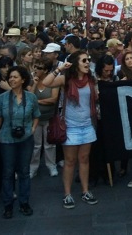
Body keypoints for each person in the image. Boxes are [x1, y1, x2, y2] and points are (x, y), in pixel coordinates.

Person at [41, 50, 99, 209]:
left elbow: (95, 97)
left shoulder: (91, 79)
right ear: (75, 64)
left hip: (87, 125)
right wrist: (59, 69)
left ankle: (85, 191)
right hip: (70, 127)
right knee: (70, 161)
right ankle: (67, 194)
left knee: (84, 160)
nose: (87, 63)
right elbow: (46, 82)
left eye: (88, 60)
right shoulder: (66, 79)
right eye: (84, 61)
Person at [0, 66, 40, 218]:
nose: (12, 80)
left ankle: (24, 202)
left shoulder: (31, 97)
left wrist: (32, 129)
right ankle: (8, 204)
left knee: (24, 171)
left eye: (15, 77)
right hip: (7, 138)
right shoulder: (2, 98)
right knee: (8, 172)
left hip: (26, 138)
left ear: (23, 79)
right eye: (10, 77)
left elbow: (36, 115)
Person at [30, 61, 60, 178]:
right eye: (35, 67)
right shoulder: (32, 81)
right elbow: (29, 97)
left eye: (39, 67)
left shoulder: (53, 82)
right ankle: (33, 168)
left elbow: (53, 99)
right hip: (35, 119)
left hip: (49, 117)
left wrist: (37, 101)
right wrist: (34, 84)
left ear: (46, 71)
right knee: (36, 145)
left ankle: (51, 165)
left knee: (50, 144)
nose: (36, 69)